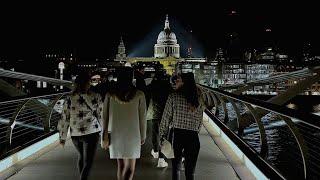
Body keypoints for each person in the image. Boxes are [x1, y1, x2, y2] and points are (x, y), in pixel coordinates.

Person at [101, 67, 147, 180]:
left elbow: (104, 117)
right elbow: (142, 117)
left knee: (121, 165)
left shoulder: (110, 95)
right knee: (130, 168)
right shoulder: (139, 94)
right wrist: (143, 135)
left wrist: (104, 135)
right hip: (133, 134)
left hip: (115, 133)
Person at [58, 71, 103, 180]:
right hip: (91, 132)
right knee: (88, 161)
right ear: (87, 83)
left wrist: (62, 138)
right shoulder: (95, 96)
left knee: (82, 157)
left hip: (75, 134)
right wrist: (104, 133)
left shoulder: (69, 98)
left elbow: (65, 118)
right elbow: (101, 115)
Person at [160, 72, 206, 180]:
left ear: (184, 83)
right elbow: (200, 121)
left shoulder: (173, 96)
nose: (176, 81)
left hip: (177, 136)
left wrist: (162, 135)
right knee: (190, 173)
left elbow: (166, 118)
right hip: (193, 137)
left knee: (176, 169)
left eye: (179, 80)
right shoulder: (198, 99)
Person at [149, 71, 171, 168]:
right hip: (166, 115)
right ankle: (161, 159)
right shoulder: (168, 87)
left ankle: (155, 151)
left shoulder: (153, 86)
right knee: (164, 136)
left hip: (155, 114)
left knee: (155, 134)